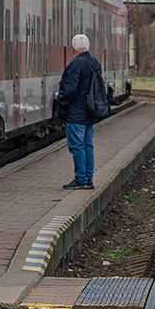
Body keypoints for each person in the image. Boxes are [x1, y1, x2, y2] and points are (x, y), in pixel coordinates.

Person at [55, 33, 107, 191]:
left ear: (73, 49)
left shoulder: (76, 65)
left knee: (77, 147)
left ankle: (81, 179)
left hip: (76, 113)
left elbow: (69, 90)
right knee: (87, 146)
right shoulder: (94, 63)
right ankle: (88, 179)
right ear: (88, 46)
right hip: (90, 112)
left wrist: (61, 102)